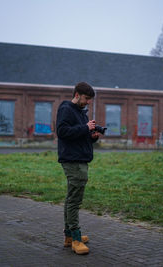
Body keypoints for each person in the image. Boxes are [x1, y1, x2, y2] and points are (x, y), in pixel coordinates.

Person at [56, 82, 99, 255]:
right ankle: (76, 239)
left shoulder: (81, 113)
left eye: (90, 99)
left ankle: (68, 236)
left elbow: (80, 135)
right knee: (75, 200)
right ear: (77, 94)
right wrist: (85, 128)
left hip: (79, 159)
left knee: (71, 198)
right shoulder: (66, 109)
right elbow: (62, 132)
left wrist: (92, 136)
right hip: (72, 161)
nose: (88, 102)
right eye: (86, 98)